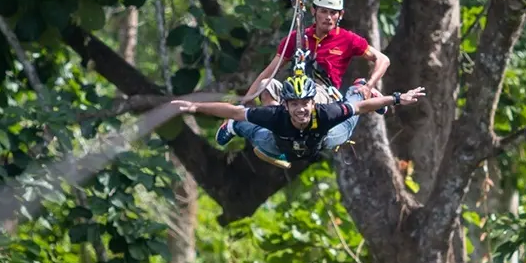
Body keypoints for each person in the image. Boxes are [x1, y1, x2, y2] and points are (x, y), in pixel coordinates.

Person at [172, 74, 426, 169]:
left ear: (313, 103)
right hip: (279, 143)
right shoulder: (276, 116)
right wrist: (196, 106)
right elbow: (234, 110)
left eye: (305, 103)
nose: (301, 109)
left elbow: (360, 107)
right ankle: (234, 131)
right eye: (295, 104)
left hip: (322, 140)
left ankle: (360, 85)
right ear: (285, 105)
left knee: (351, 114)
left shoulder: (325, 114)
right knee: (250, 129)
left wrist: (396, 98)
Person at [244, 0, 390, 109]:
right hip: (296, 91)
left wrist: (369, 85)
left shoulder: (347, 39)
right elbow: (269, 72)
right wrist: (244, 103)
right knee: (266, 85)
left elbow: (383, 60)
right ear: (314, 11)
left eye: (333, 13)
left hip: (324, 95)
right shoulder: (298, 37)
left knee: (308, 96)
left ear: (340, 15)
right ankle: (279, 121)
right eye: (323, 11)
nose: (328, 17)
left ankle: (288, 118)